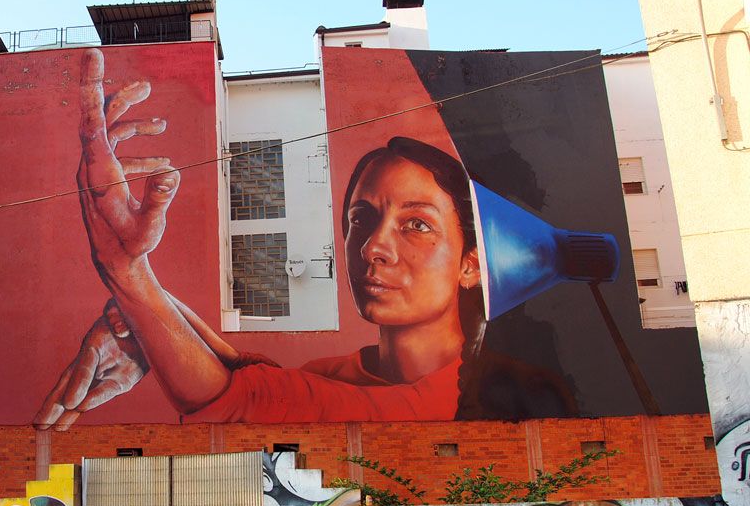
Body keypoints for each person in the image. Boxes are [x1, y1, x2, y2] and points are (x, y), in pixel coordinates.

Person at [34, 49, 575, 428]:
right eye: (362, 218)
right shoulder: (342, 373)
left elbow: (245, 399)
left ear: (472, 266)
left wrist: (129, 277)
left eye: (416, 224)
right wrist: (148, 314)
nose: (373, 248)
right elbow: (252, 374)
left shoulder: (466, 396)